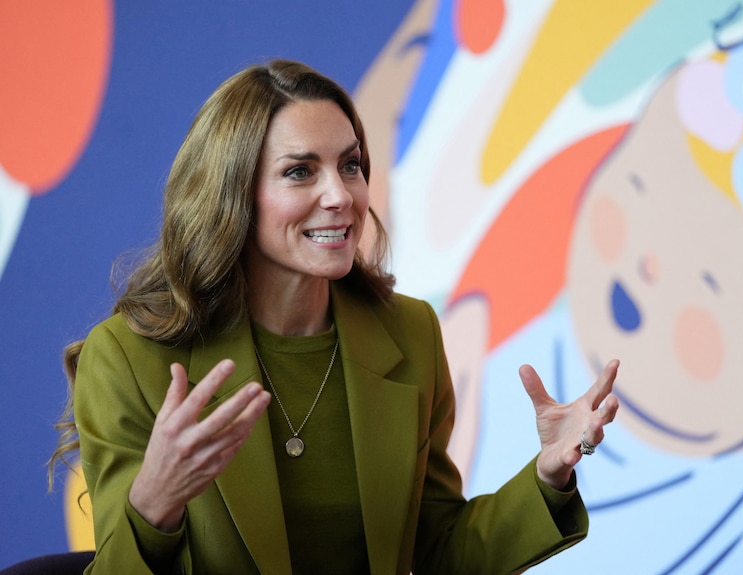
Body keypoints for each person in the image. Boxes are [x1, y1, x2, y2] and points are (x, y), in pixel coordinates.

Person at [49, 59, 620, 575]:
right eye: (301, 171)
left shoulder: (409, 333)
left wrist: (549, 475)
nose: (341, 195)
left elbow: (441, 551)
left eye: (351, 165)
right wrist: (154, 502)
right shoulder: (128, 356)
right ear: (232, 194)